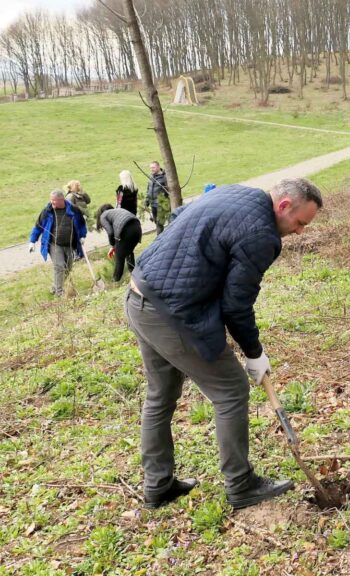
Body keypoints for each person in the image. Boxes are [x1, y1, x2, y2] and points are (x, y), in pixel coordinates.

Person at [125, 178, 323, 510]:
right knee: (231, 389)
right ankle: (240, 484)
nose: (300, 232)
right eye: (300, 222)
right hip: (171, 313)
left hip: (139, 295)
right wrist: (254, 353)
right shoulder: (262, 235)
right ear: (284, 205)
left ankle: (157, 485)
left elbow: (177, 217)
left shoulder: (234, 192)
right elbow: (236, 306)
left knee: (160, 394)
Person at [28, 189, 87, 297]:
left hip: (69, 244)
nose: (51, 202)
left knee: (68, 267)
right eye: (51, 200)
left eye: (54, 201)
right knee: (59, 266)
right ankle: (59, 293)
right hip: (54, 243)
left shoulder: (73, 210)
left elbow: (82, 224)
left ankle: (55, 286)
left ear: (61, 200)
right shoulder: (47, 211)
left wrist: (83, 236)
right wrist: (32, 241)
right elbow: (38, 226)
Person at [94, 203, 142, 282]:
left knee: (119, 257)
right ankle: (135, 276)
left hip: (126, 230)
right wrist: (115, 247)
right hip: (137, 227)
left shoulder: (103, 216)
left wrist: (113, 245)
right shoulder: (117, 211)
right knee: (128, 252)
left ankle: (115, 281)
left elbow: (110, 233)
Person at [145, 161, 169, 234]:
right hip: (153, 205)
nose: (152, 169)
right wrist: (146, 202)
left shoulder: (164, 177)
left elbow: (169, 191)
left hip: (161, 205)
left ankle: (159, 239)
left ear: (158, 167)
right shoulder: (151, 177)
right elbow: (148, 190)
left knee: (159, 223)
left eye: (153, 167)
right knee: (156, 222)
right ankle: (162, 236)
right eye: (151, 168)